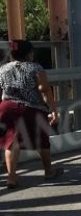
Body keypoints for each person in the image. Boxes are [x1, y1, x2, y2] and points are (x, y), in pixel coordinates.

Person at [0, 40, 63, 188]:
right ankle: (49, 171)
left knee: (11, 142)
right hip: (31, 108)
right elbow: (44, 89)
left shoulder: (2, 69)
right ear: (29, 53)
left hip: (7, 107)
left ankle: (11, 177)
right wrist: (53, 109)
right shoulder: (35, 68)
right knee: (42, 139)